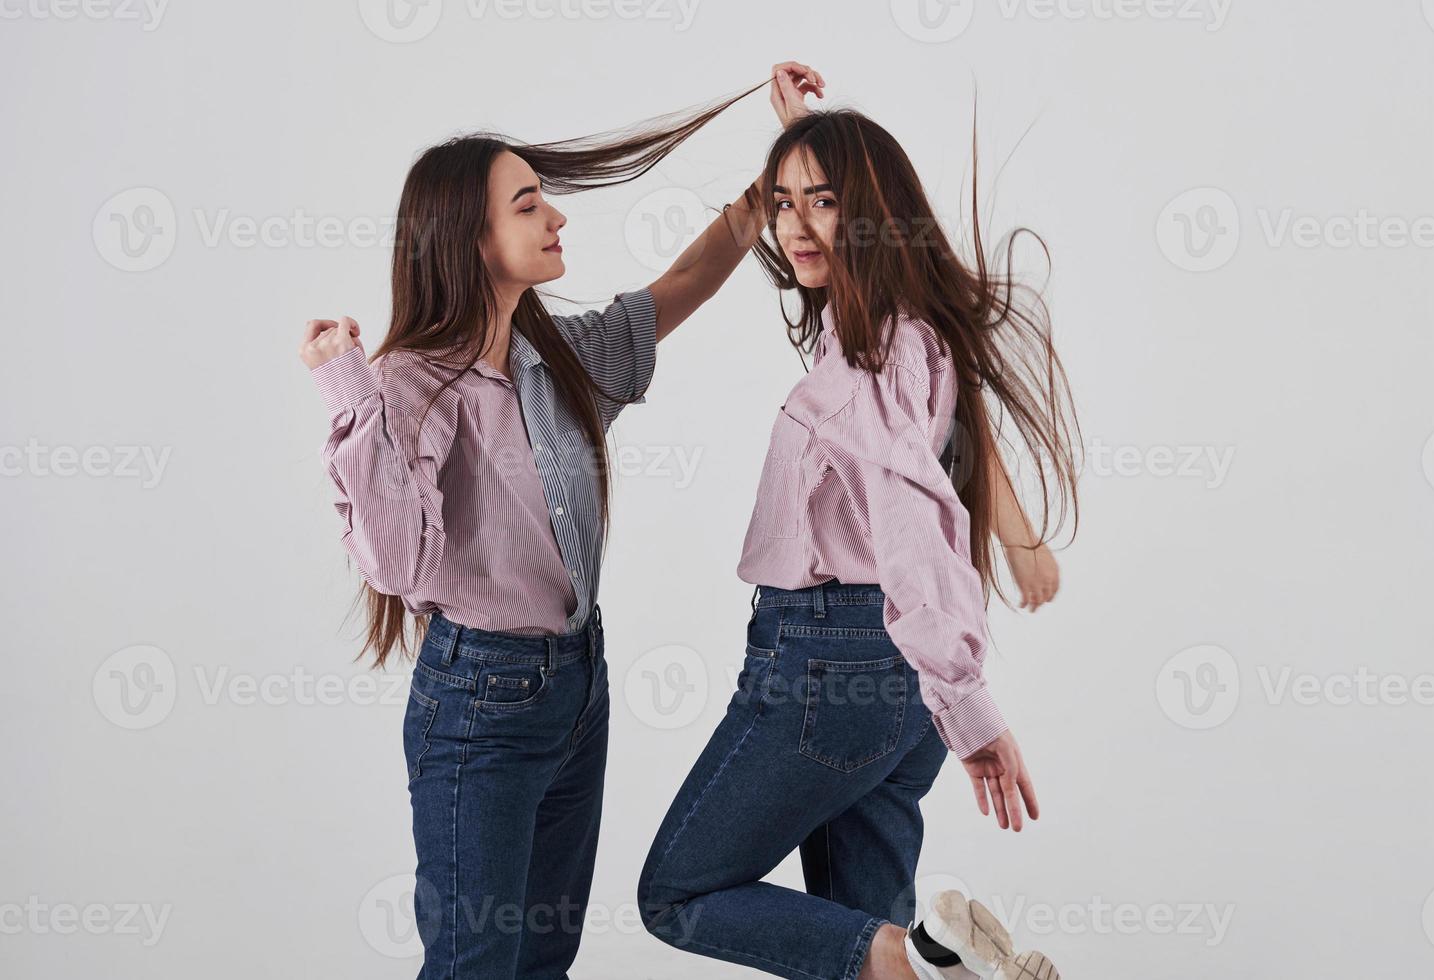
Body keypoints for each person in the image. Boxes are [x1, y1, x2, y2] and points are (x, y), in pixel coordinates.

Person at [297, 63, 825, 979]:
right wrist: (346, 389)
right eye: (530, 204)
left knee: (543, 958)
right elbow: (391, 562)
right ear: (469, 238)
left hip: (579, 684)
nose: (557, 218)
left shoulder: (560, 358)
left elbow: (684, 283)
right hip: (480, 708)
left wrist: (777, 166)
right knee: (475, 961)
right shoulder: (411, 385)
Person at [637, 108, 1079, 980]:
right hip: (892, 689)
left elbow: (913, 520)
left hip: (827, 666)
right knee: (849, 929)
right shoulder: (910, 332)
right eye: (783, 202)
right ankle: (924, 959)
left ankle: (905, 960)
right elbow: (942, 469)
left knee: (678, 894)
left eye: (825, 201)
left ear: (870, 211)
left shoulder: (871, 356)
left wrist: (969, 704)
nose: (796, 226)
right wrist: (807, 139)